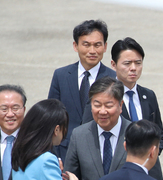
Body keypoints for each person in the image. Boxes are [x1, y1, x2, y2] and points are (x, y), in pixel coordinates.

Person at [48, 19, 116, 163]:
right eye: (86, 44)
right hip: (65, 152)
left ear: (105, 47)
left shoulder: (114, 78)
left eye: (97, 45)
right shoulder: (61, 75)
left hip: (100, 152)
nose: (92, 50)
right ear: (75, 46)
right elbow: (51, 118)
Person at [110, 37, 163, 180]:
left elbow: (160, 133)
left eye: (138, 63)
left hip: (150, 173)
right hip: (120, 173)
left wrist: (149, 154)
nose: (133, 68)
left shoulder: (149, 95)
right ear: (113, 65)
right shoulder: (105, 97)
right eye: (127, 63)